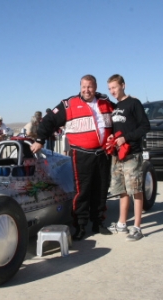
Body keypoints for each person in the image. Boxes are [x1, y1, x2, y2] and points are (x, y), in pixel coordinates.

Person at [31, 74, 115, 240]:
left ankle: (98, 222)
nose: (86, 90)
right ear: (80, 87)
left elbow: (121, 118)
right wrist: (40, 139)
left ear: (95, 87)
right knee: (82, 191)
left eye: (90, 87)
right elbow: (49, 120)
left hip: (103, 154)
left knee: (101, 189)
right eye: (84, 87)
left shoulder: (106, 103)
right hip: (81, 154)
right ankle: (81, 226)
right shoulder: (69, 104)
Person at [106, 74, 150, 241]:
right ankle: (122, 224)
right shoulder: (116, 107)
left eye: (114, 88)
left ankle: (137, 227)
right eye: (110, 89)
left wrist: (126, 138)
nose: (112, 91)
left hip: (132, 154)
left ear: (123, 85)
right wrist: (112, 138)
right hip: (118, 155)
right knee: (122, 190)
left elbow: (145, 126)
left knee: (136, 190)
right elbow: (119, 128)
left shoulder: (134, 103)